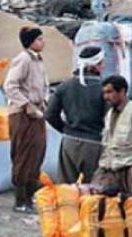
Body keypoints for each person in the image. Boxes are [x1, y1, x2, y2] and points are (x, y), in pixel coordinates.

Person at [46, 46, 108, 184]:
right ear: (95, 65)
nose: (104, 66)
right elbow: (111, 118)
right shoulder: (105, 89)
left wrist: (66, 130)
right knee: (94, 190)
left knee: (68, 190)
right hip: (94, 143)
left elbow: (50, 115)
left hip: (69, 143)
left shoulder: (64, 86)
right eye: (102, 63)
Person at [5, 26, 49, 212]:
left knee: (37, 153)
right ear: (31, 42)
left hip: (37, 113)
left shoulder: (37, 61)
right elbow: (10, 86)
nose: (43, 42)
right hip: (23, 113)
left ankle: (29, 197)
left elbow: (42, 87)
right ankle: (20, 200)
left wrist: (43, 104)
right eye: (39, 39)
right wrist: (26, 105)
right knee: (23, 154)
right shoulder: (23, 60)